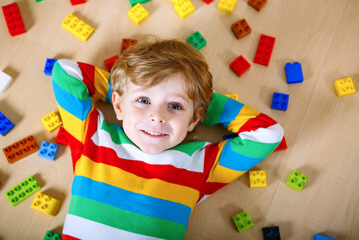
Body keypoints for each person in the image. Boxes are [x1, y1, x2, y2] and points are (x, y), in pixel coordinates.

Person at [51, 38, 285, 240]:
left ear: (195, 120)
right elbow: (66, 73)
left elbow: (267, 134)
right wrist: (124, 87)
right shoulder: (93, 138)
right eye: (143, 100)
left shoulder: (200, 165)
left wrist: (200, 102)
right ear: (119, 104)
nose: (157, 117)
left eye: (175, 105)